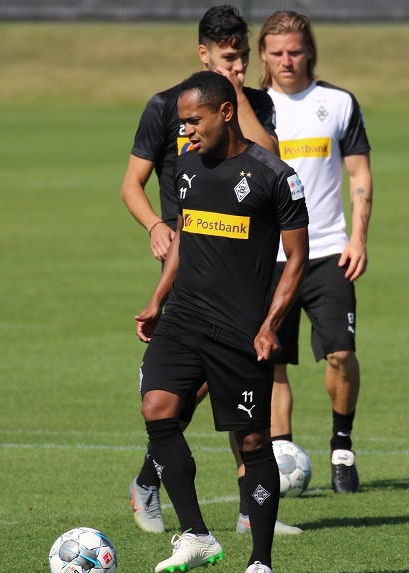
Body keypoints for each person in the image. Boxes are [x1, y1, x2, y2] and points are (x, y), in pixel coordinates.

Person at [121, 4, 302, 537]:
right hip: (190, 262)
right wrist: (157, 225)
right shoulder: (164, 107)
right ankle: (150, 483)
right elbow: (132, 183)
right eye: (228, 58)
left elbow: (268, 157)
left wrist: (237, 97)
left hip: (244, 271)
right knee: (179, 399)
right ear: (203, 53)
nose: (239, 67)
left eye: (244, 57)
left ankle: (248, 514)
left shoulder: (254, 103)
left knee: (231, 405)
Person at [257, 11, 373, 493]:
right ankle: (282, 456)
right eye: (277, 52)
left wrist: (359, 237)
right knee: (272, 360)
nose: (287, 60)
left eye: (296, 51)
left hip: (327, 252)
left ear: (311, 51)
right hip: (269, 255)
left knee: (341, 354)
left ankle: (341, 448)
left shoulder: (338, 102)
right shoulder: (248, 107)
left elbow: (360, 174)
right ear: (262, 54)